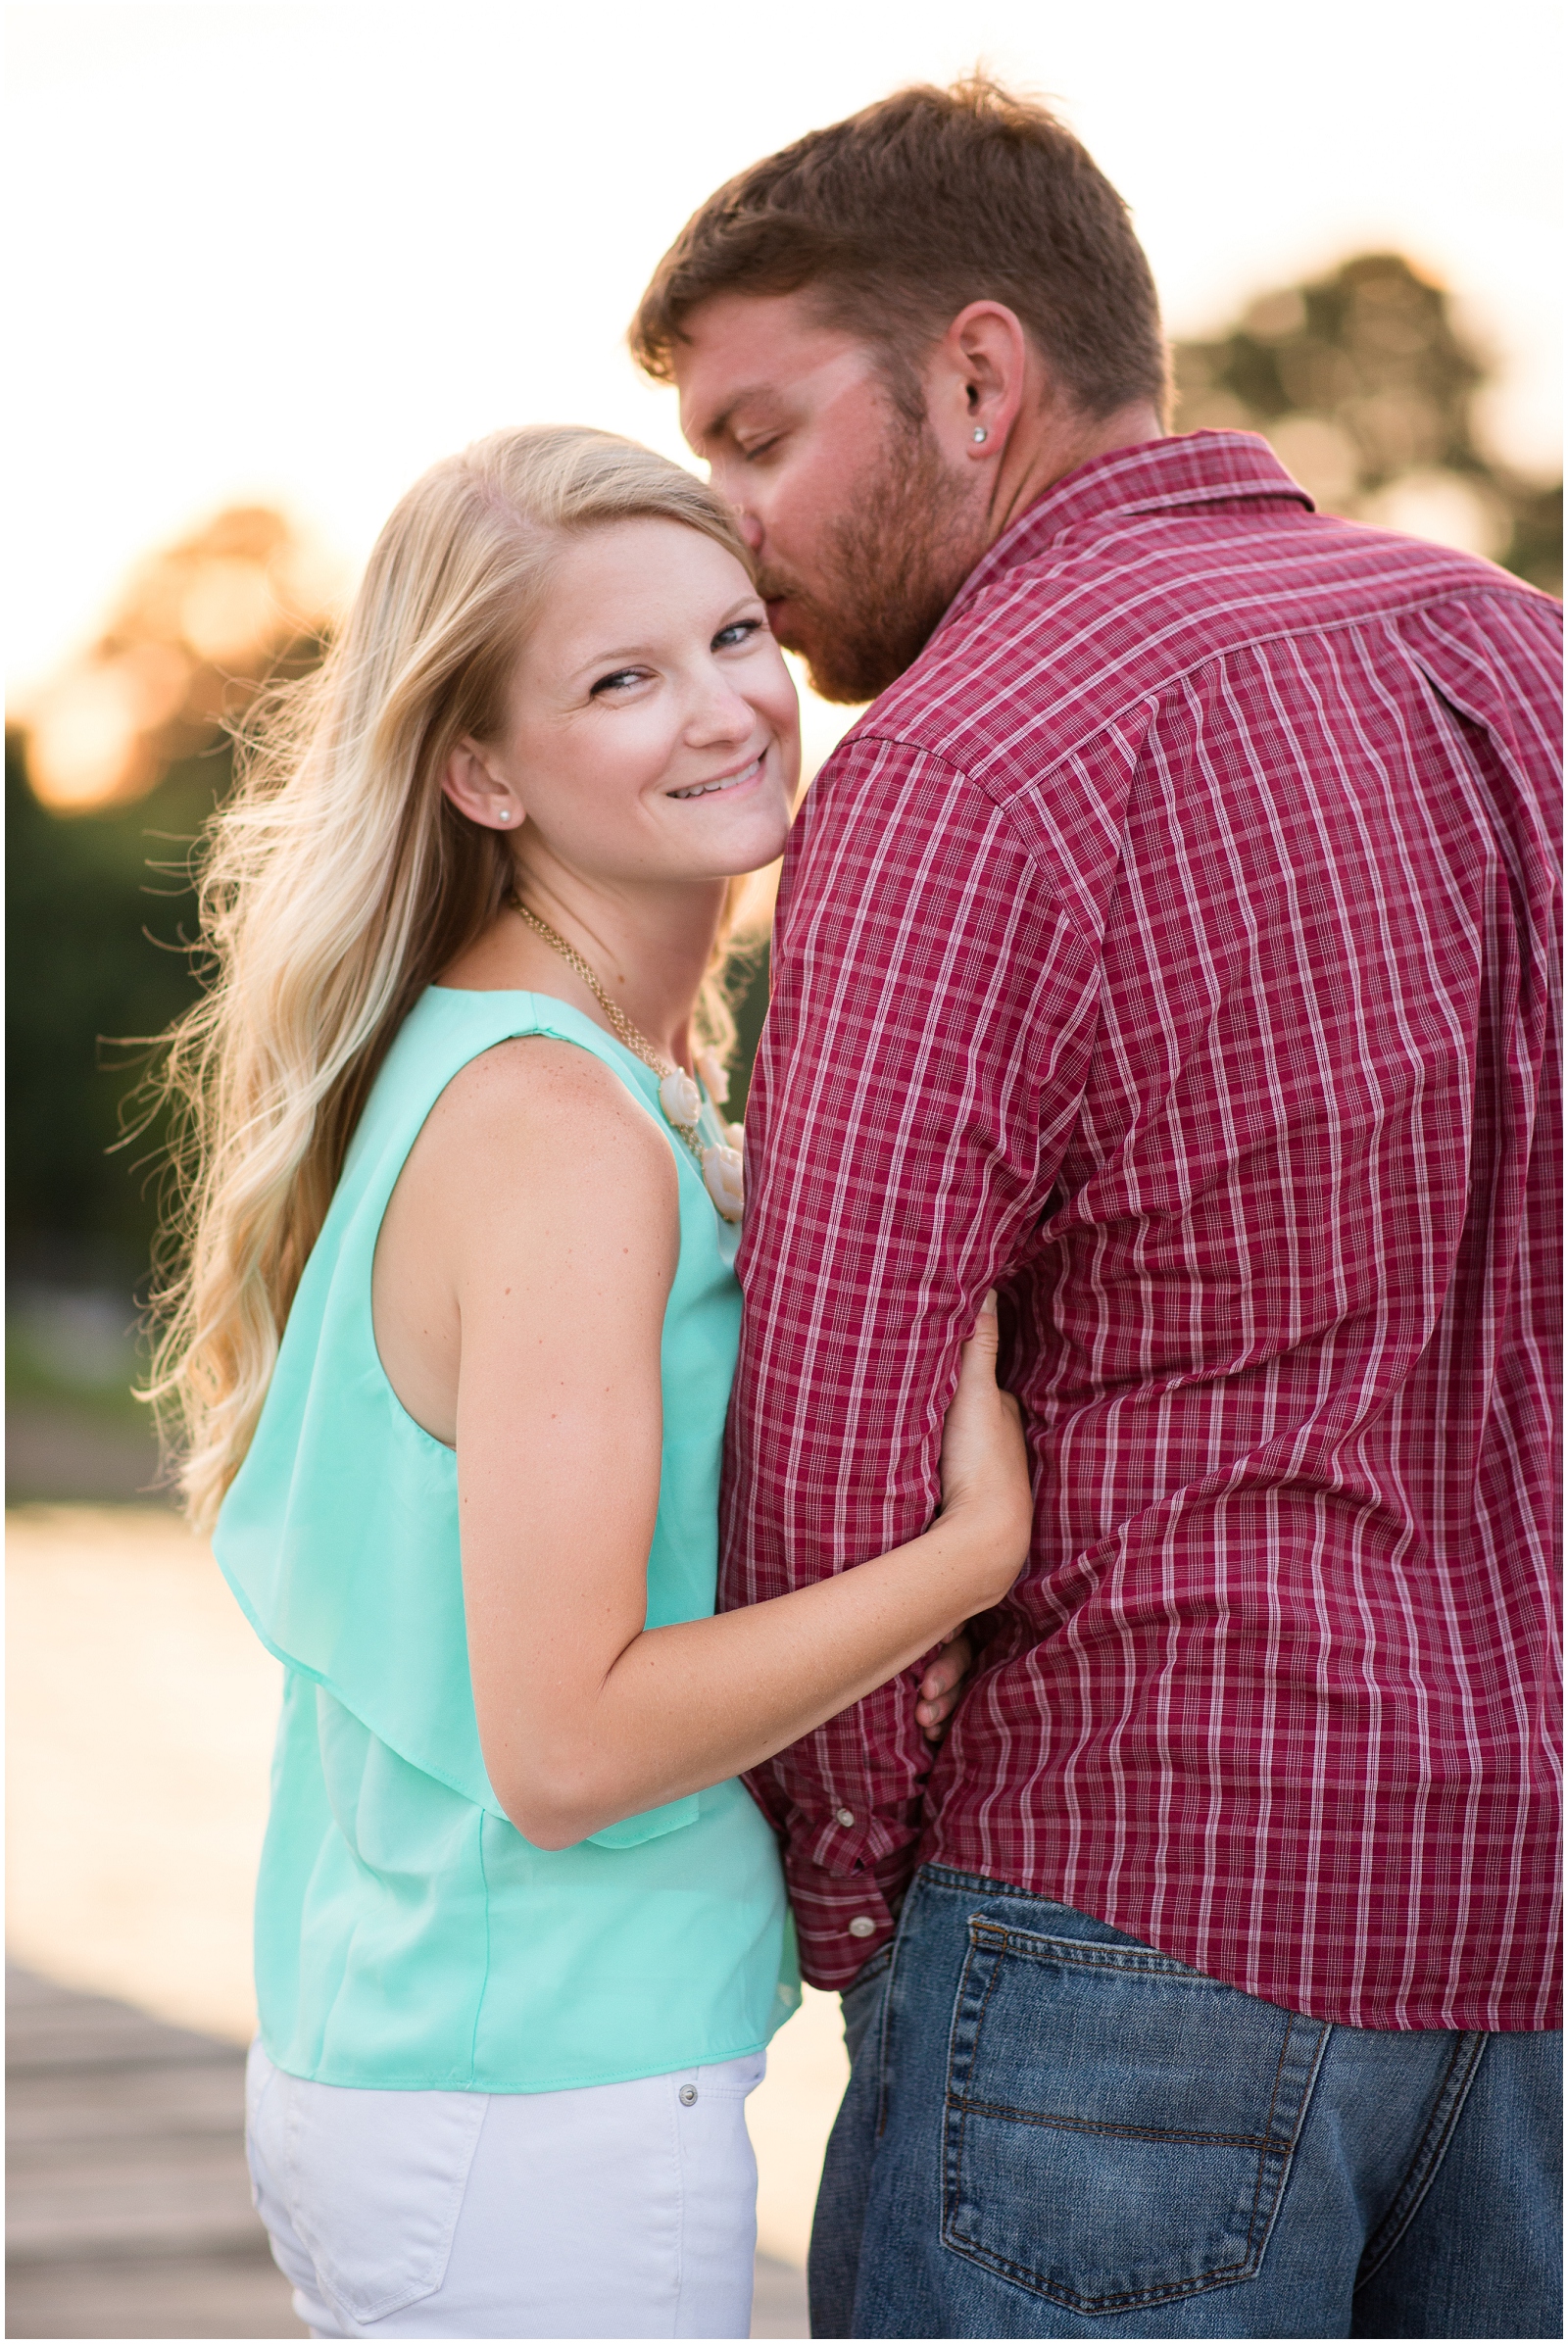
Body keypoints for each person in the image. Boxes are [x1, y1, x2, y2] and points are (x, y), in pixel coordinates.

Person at [632, 74, 1563, 2341]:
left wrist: (851, 1898)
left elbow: (836, 1446)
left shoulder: (959, 760)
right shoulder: (1532, 666)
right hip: (1530, 1933)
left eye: (758, 436)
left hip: (1114, 1945)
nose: (726, 521)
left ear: (974, 374)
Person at [146, 423, 1032, 2340]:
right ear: (476, 766)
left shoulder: (559, 1066)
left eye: (730, 634)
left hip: (441, 2058)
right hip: (524, 2104)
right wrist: (966, 1560)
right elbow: (565, 1746)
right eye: (620, 679)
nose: (725, 708)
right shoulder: (553, 1122)